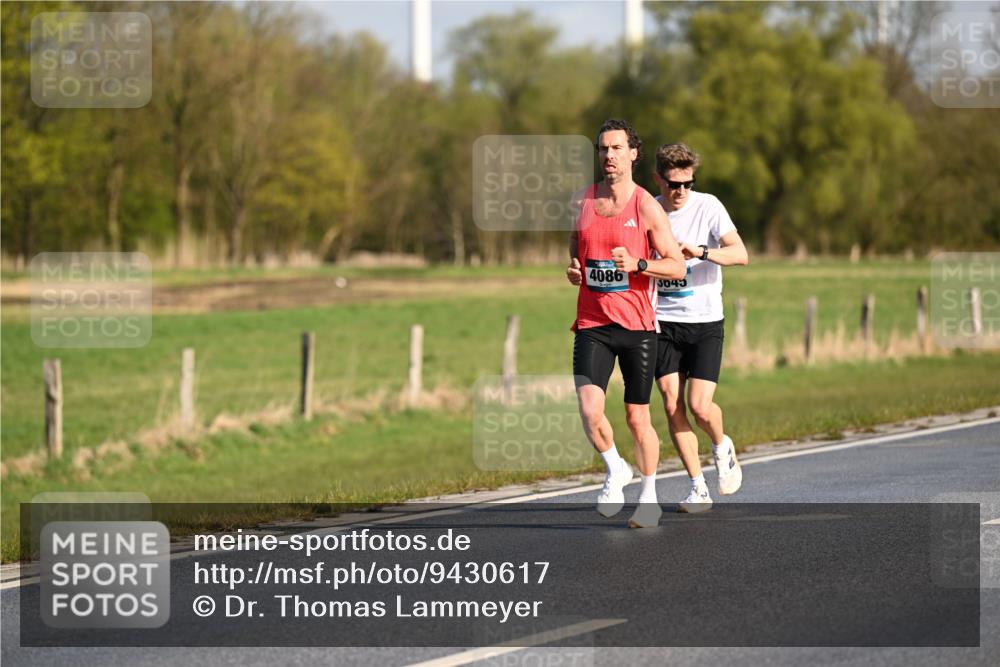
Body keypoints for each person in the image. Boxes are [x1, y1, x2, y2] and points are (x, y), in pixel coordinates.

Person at [609, 143, 749, 512]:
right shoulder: (647, 210)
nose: (681, 191)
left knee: (700, 406)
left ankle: (721, 446)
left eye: (688, 183)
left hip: (704, 321)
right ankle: (697, 486)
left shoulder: (709, 206)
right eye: (673, 184)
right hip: (663, 322)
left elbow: (741, 254)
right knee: (672, 405)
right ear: (658, 179)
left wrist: (701, 252)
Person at [565, 119, 686, 528]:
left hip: (636, 327)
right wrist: (574, 271)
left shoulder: (646, 207)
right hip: (592, 322)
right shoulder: (583, 201)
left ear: (633, 153)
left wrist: (638, 264)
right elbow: (575, 251)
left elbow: (677, 265)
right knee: (589, 409)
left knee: (637, 417)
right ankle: (616, 467)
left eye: (617, 148)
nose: (609, 156)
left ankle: (649, 496)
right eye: (603, 149)